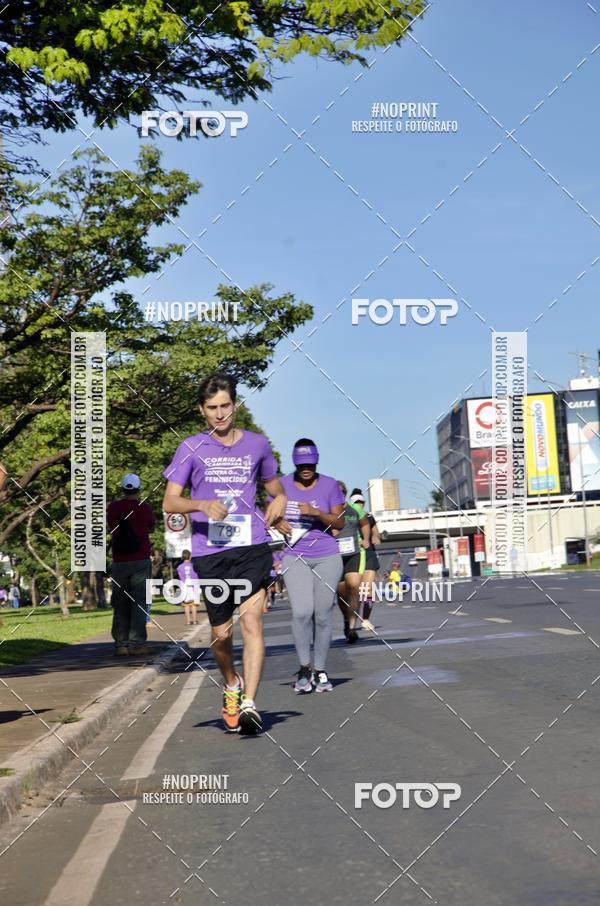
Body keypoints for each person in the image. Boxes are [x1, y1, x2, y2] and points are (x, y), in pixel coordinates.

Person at [163, 372, 287, 735]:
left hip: (251, 547)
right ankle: (231, 682)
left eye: (226, 406)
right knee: (221, 635)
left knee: (251, 621)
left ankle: (249, 702)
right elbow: (170, 500)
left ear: (236, 404)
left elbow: (275, 489)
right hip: (211, 551)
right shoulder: (190, 448)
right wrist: (201, 503)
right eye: (212, 408)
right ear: (202, 411)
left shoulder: (258, 445)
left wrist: (278, 503)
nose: (220, 414)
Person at [277, 439, 344, 693]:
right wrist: (276, 523)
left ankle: (321, 669)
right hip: (295, 555)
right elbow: (266, 514)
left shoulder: (329, 485)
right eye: (301, 464)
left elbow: (339, 523)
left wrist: (317, 513)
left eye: (310, 463)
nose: (306, 468)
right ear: (295, 462)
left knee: (323, 615)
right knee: (302, 613)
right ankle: (304, 667)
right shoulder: (281, 485)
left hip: (327, 555)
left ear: (316, 461)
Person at [107, 474, 156, 656]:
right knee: (139, 601)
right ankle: (137, 643)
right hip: (141, 560)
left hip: (119, 561)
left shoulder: (113, 507)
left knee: (120, 602)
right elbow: (151, 527)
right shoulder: (145, 508)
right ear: (138, 489)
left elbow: (111, 526)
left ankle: (121, 644)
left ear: (122, 489)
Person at [334, 481, 369, 643]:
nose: (339, 494)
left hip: (353, 554)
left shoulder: (354, 509)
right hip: (334, 556)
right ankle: (347, 621)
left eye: (342, 492)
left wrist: (366, 538)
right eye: (336, 492)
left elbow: (364, 523)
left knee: (354, 587)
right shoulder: (328, 510)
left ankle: (353, 627)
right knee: (341, 594)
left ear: (345, 493)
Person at [350, 489, 380, 624]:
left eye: (361, 502)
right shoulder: (347, 517)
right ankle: (350, 619)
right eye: (356, 502)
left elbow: (376, 533)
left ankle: (366, 619)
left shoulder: (369, 517)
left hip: (368, 553)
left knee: (368, 589)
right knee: (354, 590)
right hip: (354, 555)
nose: (359, 504)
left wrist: (375, 537)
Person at [177, 549, 199, 625]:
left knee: (186, 605)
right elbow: (196, 576)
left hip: (184, 586)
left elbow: (180, 578)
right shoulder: (194, 565)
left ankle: (188, 621)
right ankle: (195, 620)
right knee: (194, 604)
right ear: (190, 557)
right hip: (193, 585)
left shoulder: (179, 567)